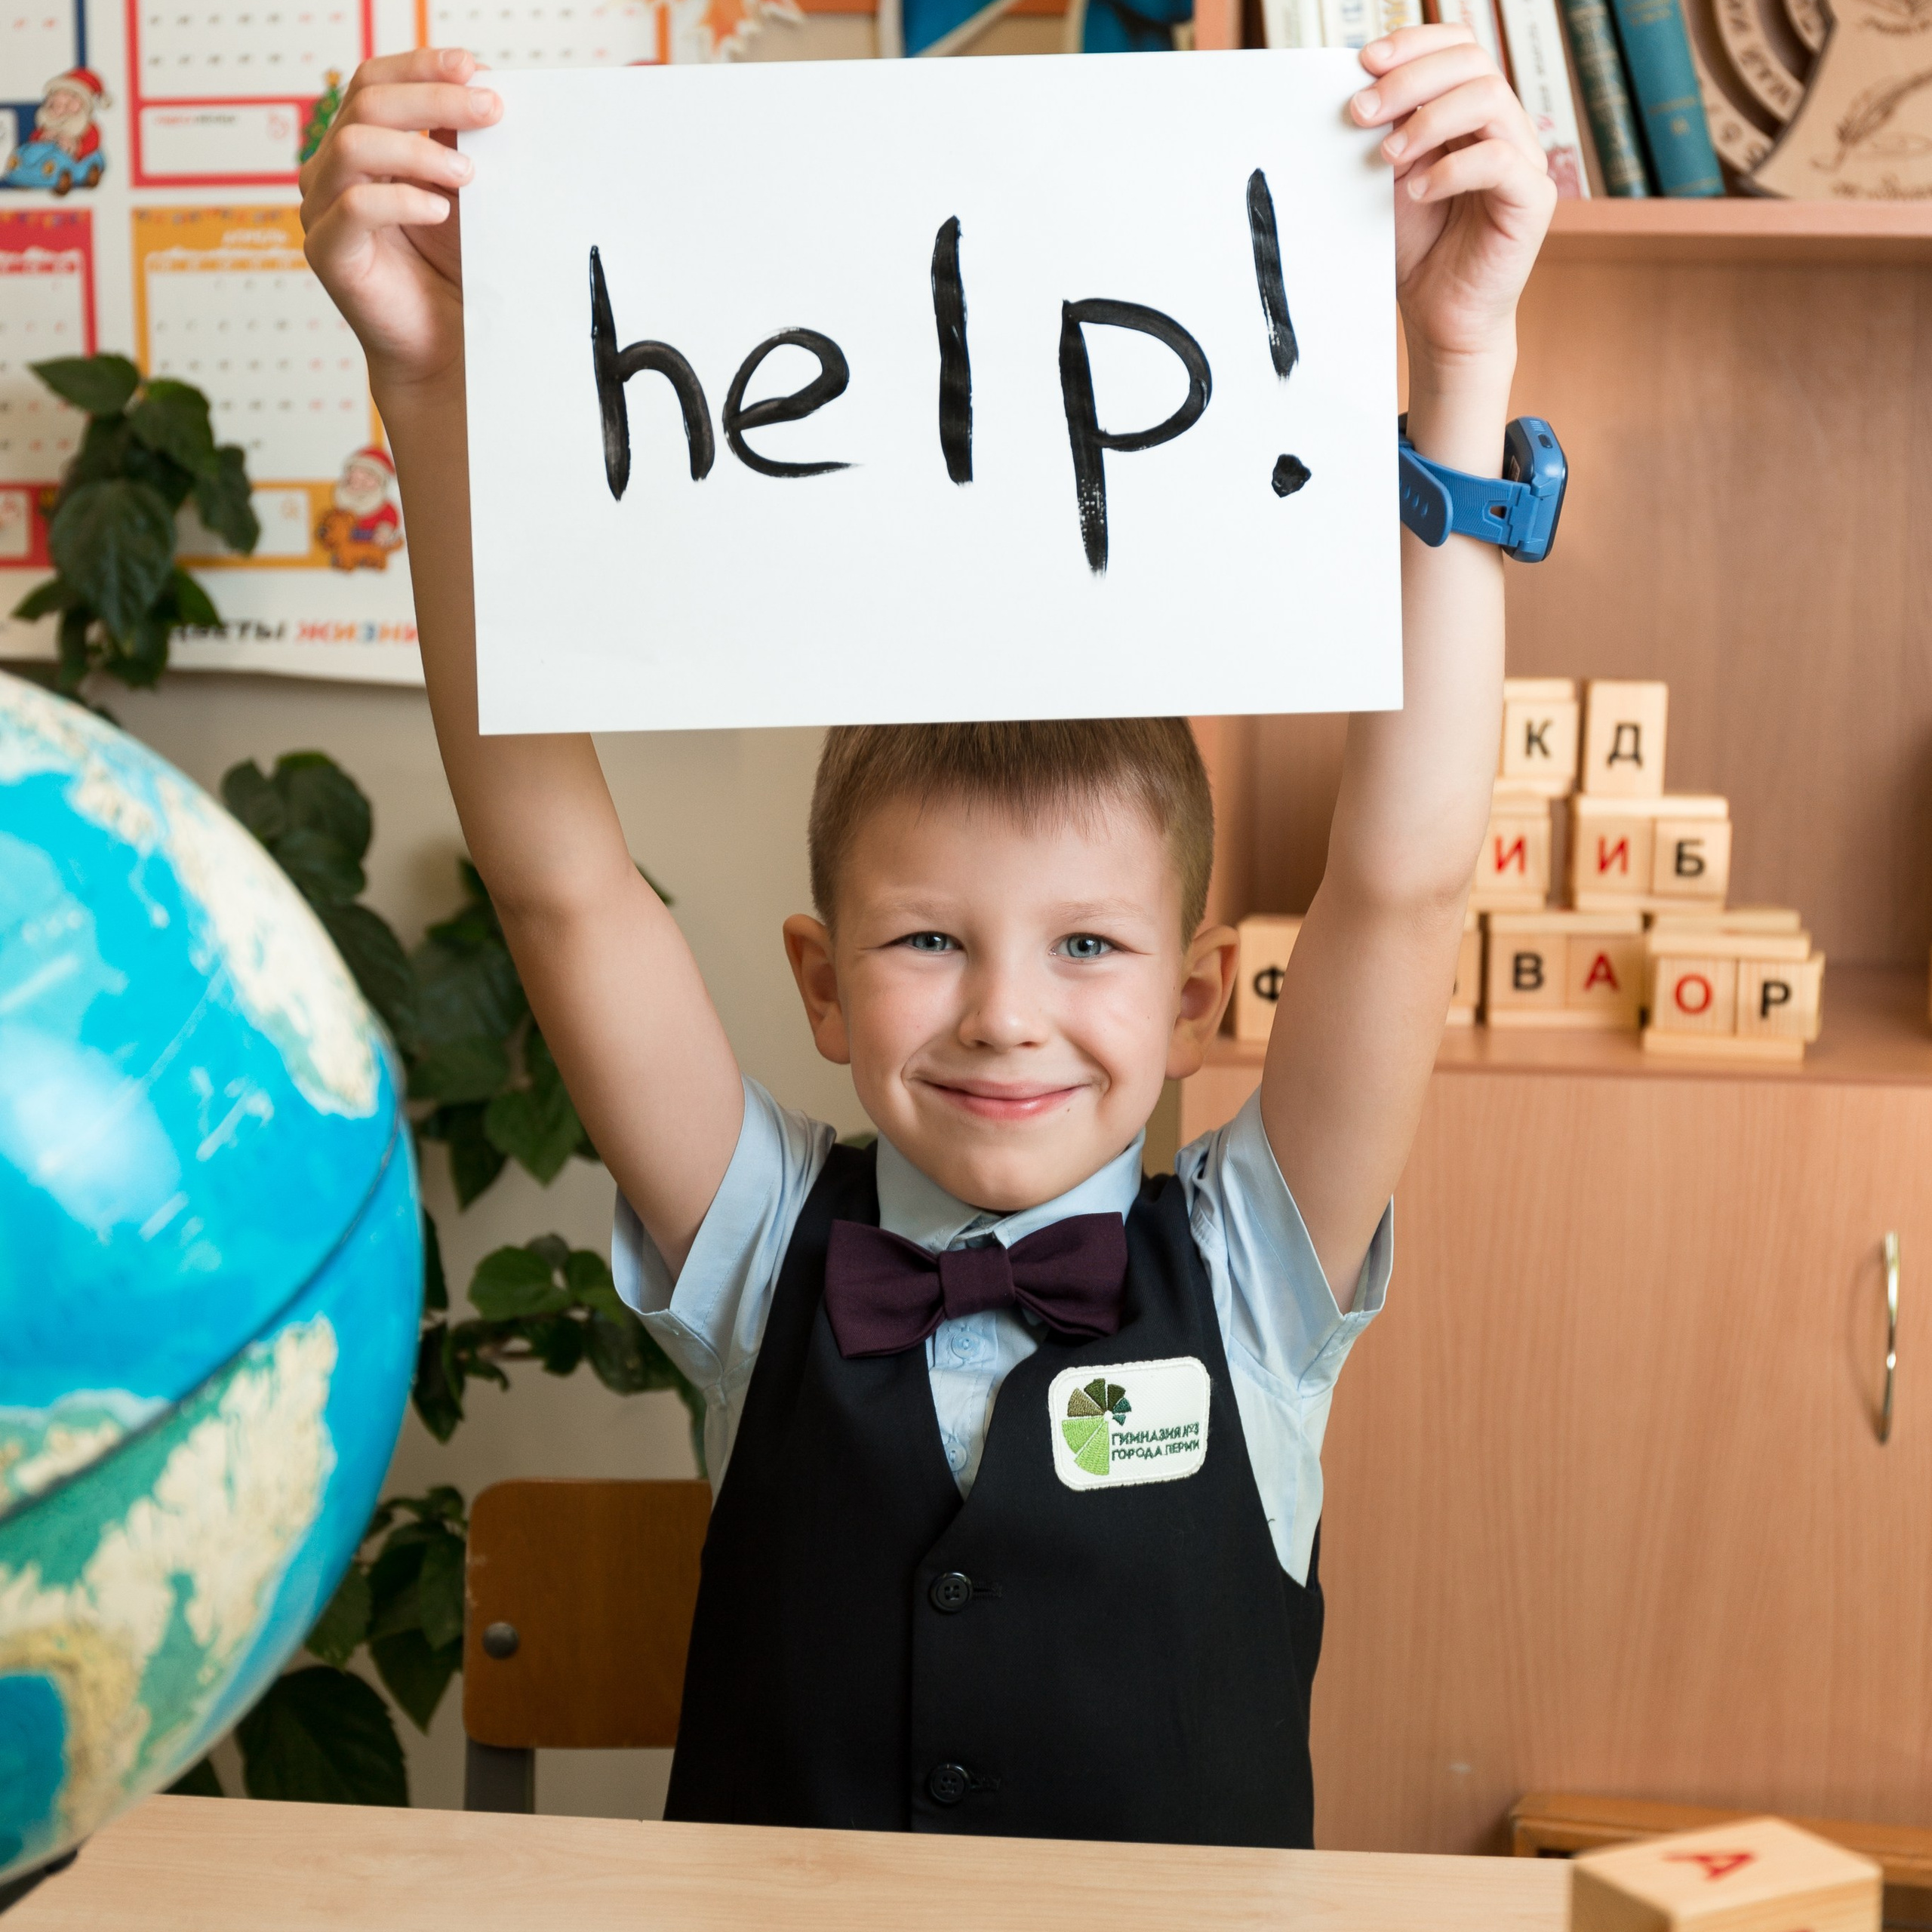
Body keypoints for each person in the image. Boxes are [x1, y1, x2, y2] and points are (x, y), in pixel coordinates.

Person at [300, 33, 1554, 1847]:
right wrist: (429, 386)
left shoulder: (1259, 1273)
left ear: (1201, 992)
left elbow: (1406, 872)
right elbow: (559, 881)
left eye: (1088, 949)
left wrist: (1455, 361)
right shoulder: (757, 1249)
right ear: (817, 979)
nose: (1001, 1015)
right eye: (922, 941)